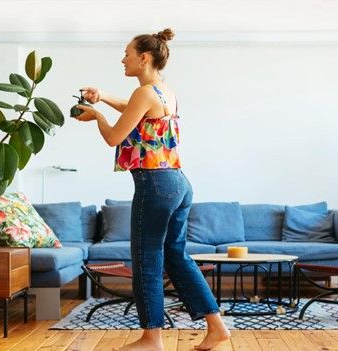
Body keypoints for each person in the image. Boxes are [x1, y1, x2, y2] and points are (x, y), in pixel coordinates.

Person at [73, 28, 231, 351]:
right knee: (176, 256)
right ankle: (216, 327)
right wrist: (102, 96)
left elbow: (115, 137)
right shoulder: (163, 92)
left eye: (127, 54)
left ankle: (151, 338)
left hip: (155, 185)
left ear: (143, 58)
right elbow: (135, 110)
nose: (123, 59)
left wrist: (96, 116)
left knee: (146, 258)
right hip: (178, 183)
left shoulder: (143, 94)